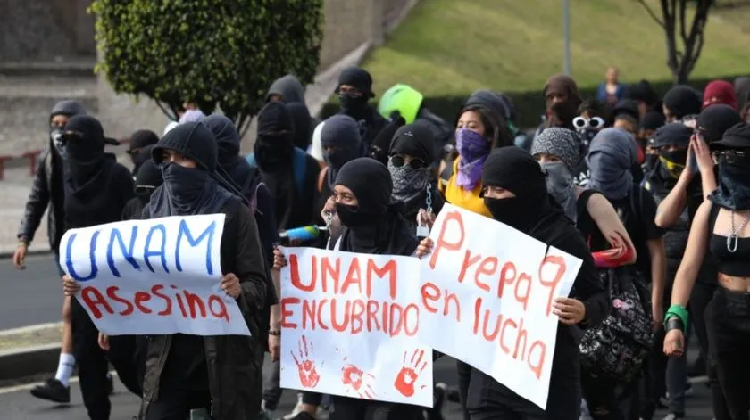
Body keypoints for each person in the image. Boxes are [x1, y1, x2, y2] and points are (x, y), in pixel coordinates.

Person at [65, 121, 270, 419]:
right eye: (166, 159)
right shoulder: (153, 211)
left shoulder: (233, 213)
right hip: (167, 356)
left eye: (181, 159)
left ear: (202, 162)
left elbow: (260, 285)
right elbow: (129, 275)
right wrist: (89, 292)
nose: (171, 168)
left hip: (222, 358)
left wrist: (240, 289)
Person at [418, 146, 608, 420]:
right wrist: (429, 254)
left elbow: (599, 297)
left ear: (525, 188)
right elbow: (456, 298)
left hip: (546, 386)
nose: (492, 199)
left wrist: (584, 311)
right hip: (488, 386)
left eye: (501, 191)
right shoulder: (479, 236)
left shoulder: (563, 236)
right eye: (488, 191)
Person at [273, 157, 423, 420]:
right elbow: (320, 301)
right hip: (346, 373)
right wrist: (287, 268)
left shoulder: (409, 250)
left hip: (392, 378)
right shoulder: (338, 242)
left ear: (371, 199)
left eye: (348, 197)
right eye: (336, 195)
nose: (338, 204)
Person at [663, 122, 750, 420]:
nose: (733, 159)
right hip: (724, 313)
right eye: (727, 153)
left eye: (743, 153)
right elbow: (688, 268)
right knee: (733, 402)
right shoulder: (710, 209)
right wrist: (675, 320)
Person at [57, 114, 142, 420]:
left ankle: (158, 404)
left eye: (75, 141)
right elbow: (68, 229)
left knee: (123, 355)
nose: (70, 148)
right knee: (88, 358)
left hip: (118, 283)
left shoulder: (116, 175)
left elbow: (134, 220)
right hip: (83, 287)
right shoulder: (68, 177)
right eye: (65, 141)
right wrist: (67, 270)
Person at [585, 128, 666, 419]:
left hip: (633, 294)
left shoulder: (637, 197)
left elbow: (656, 251)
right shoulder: (585, 198)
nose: (601, 166)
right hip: (595, 294)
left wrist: (656, 303)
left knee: (632, 366)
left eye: (608, 159)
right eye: (596, 158)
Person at [12, 100, 87, 403]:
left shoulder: (92, 159)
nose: (59, 130)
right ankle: (97, 372)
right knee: (81, 309)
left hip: (89, 246)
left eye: (65, 124)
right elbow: (37, 201)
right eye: (54, 124)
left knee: (73, 308)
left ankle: (62, 379)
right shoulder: (48, 160)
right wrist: (23, 239)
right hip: (62, 247)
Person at [640, 123, 694, 420]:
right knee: (657, 335)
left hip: (694, 268)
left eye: (679, 149)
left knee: (679, 336)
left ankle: (676, 407)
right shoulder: (647, 183)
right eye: (667, 149)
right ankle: (654, 398)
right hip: (658, 268)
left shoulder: (699, 180)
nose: (673, 155)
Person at [530, 128, 635, 253]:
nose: (543, 165)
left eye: (553, 159)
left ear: (570, 163)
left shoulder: (591, 201)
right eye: (537, 158)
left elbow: (626, 252)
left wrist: (585, 261)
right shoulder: (525, 200)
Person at [248, 101, 321, 231]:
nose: (275, 142)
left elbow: (316, 219)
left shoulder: (307, 166)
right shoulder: (248, 166)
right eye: (270, 136)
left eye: (282, 134)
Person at [388, 121, 445, 235]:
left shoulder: (438, 207)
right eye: (398, 160)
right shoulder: (375, 199)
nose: (405, 168)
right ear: (389, 157)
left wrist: (435, 233)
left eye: (416, 163)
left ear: (427, 167)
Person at [335, 67, 389, 152]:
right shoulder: (334, 125)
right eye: (343, 90)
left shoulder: (381, 126)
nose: (346, 95)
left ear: (364, 93)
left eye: (352, 90)